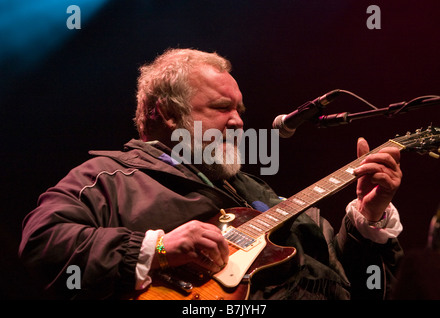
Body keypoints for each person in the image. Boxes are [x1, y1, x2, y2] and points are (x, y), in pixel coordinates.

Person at [19, 48, 404, 300]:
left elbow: (356, 288)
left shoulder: (256, 191)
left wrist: (369, 221)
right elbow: (43, 241)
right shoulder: (110, 178)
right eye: (222, 108)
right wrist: (157, 249)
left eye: (239, 109)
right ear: (168, 113)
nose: (238, 122)